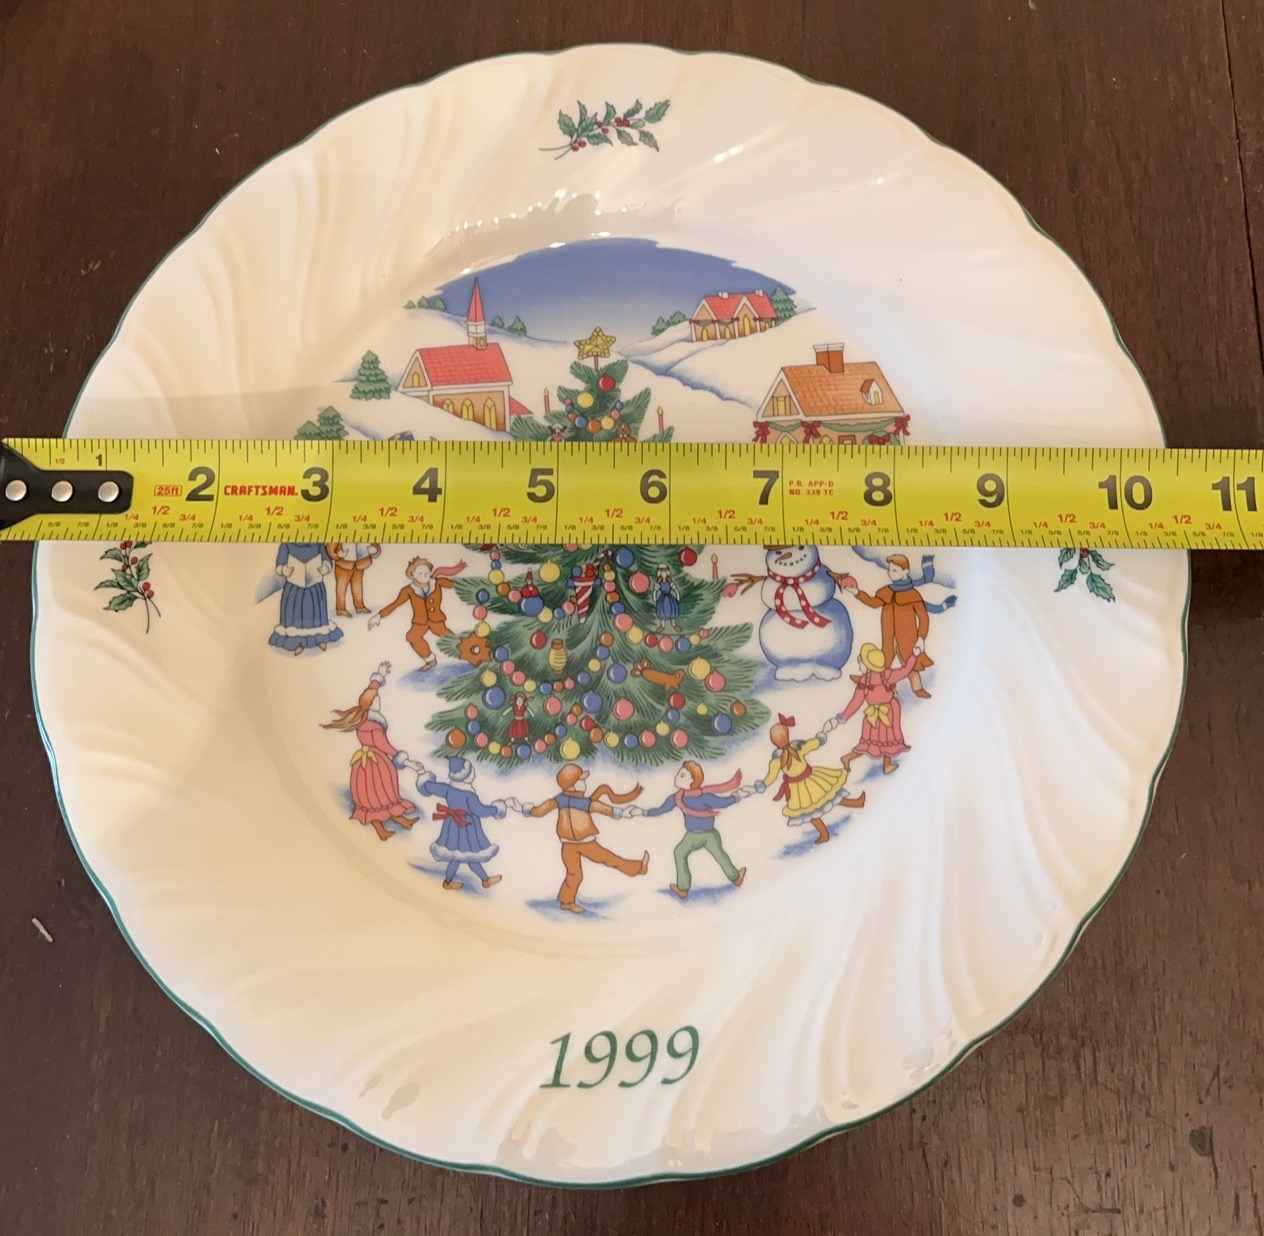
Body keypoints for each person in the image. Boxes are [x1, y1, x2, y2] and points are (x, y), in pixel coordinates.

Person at [519, 765, 646, 913]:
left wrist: (619, 812)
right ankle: (566, 902)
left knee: (608, 859)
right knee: (575, 874)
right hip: (568, 845)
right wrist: (529, 810)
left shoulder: (580, 802)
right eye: (581, 780)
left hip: (586, 843)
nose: (584, 783)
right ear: (572, 785)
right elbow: (542, 810)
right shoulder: (561, 800)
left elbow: (601, 808)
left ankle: (638, 868)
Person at [320, 661, 417, 841]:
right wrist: (400, 756)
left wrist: (379, 676)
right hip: (377, 762)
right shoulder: (374, 725)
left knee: (374, 795)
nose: (379, 700)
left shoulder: (363, 719)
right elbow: (383, 745)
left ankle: (401, 820)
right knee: (381, 794)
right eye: (376, 699)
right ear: (372, 704)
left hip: (363, 764)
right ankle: (383, 829)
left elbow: (371, 691)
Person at [629, 762, 746, 899]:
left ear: (692, 781)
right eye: (679, 773)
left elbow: (723, 802)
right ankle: (683, 888)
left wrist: (737, 796)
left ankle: (735, 878)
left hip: (709, 834)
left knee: (719, 855)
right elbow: (662, 809)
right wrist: (644, 812)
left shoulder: (704, 796)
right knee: (680, 853)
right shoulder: (677, 798)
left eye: (682, 775)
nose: (676, 776)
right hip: (692, 835)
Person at [753, 713, 865, 845]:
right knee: (823, 802)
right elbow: (812, 744)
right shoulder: (794, 749)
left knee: (819, 805)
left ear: (774, 742)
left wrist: (763, 784)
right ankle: (828, 830)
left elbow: (771, 777)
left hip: (803, 783)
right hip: (807, 782)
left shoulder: (782, 756)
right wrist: (819, 739)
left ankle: (832, 826)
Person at [844, 554, 946, 697]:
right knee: (882, 661)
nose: (889, 573)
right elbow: (874, 603)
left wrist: (921, 637)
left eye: (894, 570)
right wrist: (857, 592)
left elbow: (924, 618)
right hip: (889, 635)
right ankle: (868, 681)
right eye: (889, 570)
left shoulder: (913, 594)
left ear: (905, 572)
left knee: (910, 662)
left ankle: (918, 688)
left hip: (907, 637)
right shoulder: (887, 591)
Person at [408, 756, 504, 891]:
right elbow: (480, 810)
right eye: (471, 772)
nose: (474, 774)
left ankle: (452, 882)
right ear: (466, 776)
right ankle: (484, 880)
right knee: (471, 855)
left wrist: (424, 778)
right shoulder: (469, 795)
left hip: (452, 825)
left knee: (456, 856)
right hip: (467, 828)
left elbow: (431, 787)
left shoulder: (449, 789)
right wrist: (496, 809)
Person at [836, 641, 923, 774]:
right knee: (881, 741)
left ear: (868, 665)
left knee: (876, 742)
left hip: (885, 713)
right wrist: (914, 656)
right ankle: (848, 758)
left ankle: (883, 765)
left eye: (861, 663)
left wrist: (844, 716)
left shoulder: (867, 680)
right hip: (878, 715)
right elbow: (905, 670)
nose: (859, 666)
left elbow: (856, 702)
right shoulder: (884, 676)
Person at [368, 556, 467, 670]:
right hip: (420, 622)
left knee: (446, 636)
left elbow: (456, 585)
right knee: (412, 637)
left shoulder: (437, 582)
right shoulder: (408, 590)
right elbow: (395, 604)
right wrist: (379, 615)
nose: (425, 575)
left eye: (427, 573)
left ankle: (463, 649)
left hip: (436, 619)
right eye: (420, 573)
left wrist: (469, 585)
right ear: (412, 575)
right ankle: (430, 659)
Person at [269, 542, 343, 656]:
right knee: (296, 615)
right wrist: (283, 569)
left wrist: (326, 566)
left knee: (316, 613)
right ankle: (297, 641)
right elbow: (279, 564)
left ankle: (320, 638)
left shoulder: (319, 544)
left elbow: (326, 559)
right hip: (294, 589)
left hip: (315, 587)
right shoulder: (286, 545)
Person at [326, 541, 380, 617]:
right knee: (342, 586)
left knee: (357, 585)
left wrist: (375, 550)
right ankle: (341, 609)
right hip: (344, 563)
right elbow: (331, 545)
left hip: (359, 562)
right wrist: (336, 555)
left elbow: (375, 543)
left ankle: (360, 606)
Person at [654, 564, 682, 632]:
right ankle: (662, 626)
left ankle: (674, 625)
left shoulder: (670, 582)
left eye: (665, 571)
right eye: (662, 572)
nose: (664, 573)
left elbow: (675, 589)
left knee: (672, 610)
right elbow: (655, 591)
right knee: (662, 611)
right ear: (659, 573)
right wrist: (654, 597)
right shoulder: (659, 582)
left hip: (670, 598)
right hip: (662, 598)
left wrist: (677, 595)